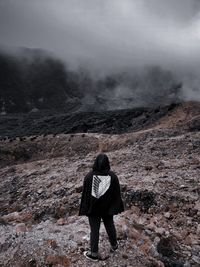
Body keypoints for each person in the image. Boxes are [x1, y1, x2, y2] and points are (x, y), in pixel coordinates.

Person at [79, 153, 124, 261]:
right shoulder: (113, 176)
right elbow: (116, 194)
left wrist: (86, 209)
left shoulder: (89, 176)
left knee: (94, 230)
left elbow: (86, 195)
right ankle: (114, 245)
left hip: (93, 210)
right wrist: (114, 208)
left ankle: (93, 253)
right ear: (107, 163)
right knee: (110, 226)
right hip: (107, 209)